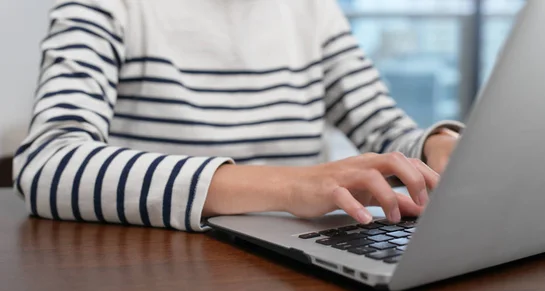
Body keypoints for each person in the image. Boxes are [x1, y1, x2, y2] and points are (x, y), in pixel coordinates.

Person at [13, 0, 463, 232]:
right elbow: (45, 164)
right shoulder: (107, 7)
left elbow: (384, 127)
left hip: (301, 261)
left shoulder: (310, 10)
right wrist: (289, 185)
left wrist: (434, 146)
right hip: (166, 264)